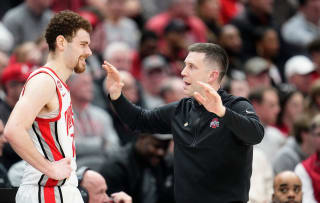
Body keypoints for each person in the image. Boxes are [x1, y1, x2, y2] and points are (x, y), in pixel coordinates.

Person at [103, 42, 264, 202]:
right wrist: (117, 96)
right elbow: (139, 120)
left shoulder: (236, 106)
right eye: (185, 65)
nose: (183, 72)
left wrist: (222, 112)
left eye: (191, 67)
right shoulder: (180, 110)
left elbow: (255, 135)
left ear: (212, 75)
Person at [4, 11, 92, 203]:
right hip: (47, 191)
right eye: (83, 44)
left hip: (60, 190)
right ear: (61, 43)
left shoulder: (59, 83)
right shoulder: (44, 80)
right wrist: (49, 168)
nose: (89, 52)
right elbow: (13, 129)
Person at [100, 133, 175, 203]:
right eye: (156, 146)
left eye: (165, 147)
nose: (160, 152)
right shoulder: (116, 166)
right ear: (142, 137)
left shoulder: (166, 163)